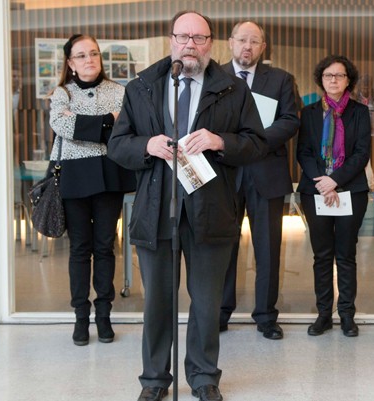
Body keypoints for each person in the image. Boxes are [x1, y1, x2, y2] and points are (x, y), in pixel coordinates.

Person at [107, 10, 266, 401]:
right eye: (183, 37)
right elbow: (117, 145)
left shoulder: (232, 89)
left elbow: (256, 143)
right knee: (158, 303)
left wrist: (219, 141)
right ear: (171, 39)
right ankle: (155, 380)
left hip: (211, 211)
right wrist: (147, 145)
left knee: (207, 303)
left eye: (199, 38)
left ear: (211, 43)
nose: (190, 45)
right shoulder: (142, 87)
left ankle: (203, 376)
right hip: (157, 210)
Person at [48, 34, 136, 346]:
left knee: (104, 246)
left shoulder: (119, 92)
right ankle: (81, 318)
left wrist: (86, 124)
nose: (90, 60)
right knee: (79, 249)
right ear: (70, 63)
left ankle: (104, 315)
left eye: (94, 54)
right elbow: (61, 125)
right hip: (74, 177)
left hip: (109, 176)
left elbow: (124, 127)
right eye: (82, 56)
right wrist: (105, 122)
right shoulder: (61, 93)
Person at [219, 20, 300, 340]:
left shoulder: (280, 79)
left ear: (263, 48)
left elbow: (290, 121)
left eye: (254, 41)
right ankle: (221, 311)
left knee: (268, 249)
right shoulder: (214, 76)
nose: (247, 47)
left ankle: (266, 315)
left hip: (267, 173)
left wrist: (254, 142)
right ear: (230, 42)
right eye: (242, 40)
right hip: (224, 174)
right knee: (223, 247)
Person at [297, 55, 371, 337]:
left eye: (339, 76)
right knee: (322, 255)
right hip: (315, 191)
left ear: (348, 80)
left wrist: (335, 180)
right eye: (329, 76)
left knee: (346, 254)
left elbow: (362, 153)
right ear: (321, 79)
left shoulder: (360, 113)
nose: (334, 80)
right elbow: (302, 151)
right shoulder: (310, 112)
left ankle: (347, 316)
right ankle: (324, 314)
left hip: (350, 191)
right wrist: (322, 182)